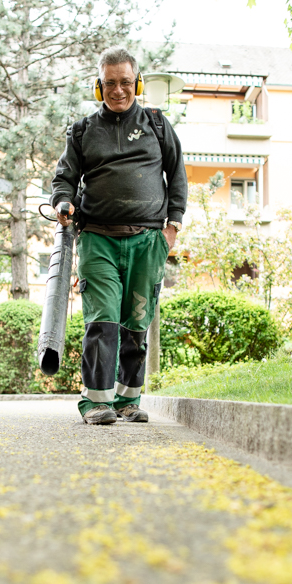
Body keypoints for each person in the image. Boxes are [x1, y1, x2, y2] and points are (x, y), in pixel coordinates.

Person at [51, 46, 187, 425]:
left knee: (136, 322)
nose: (118, 90)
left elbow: (177, 174)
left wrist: (172, 227)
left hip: (148, 240)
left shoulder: (157, 125)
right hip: (98, 239)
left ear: (137, 83)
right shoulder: (83, 131)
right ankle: (96, 402)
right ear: (99, 86)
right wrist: (63, 201)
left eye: (125, 82)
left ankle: (128, 399)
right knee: (103, 319)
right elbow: (64, 178)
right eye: (109, 83)